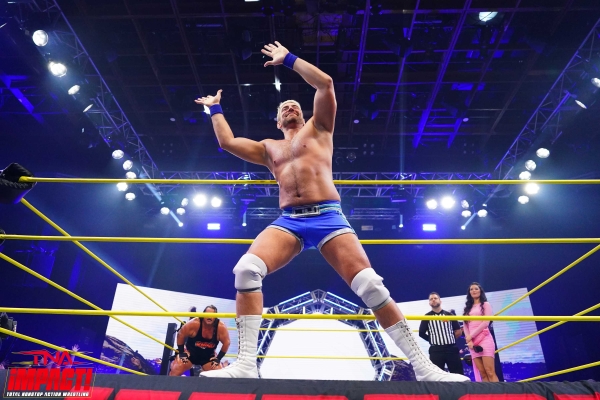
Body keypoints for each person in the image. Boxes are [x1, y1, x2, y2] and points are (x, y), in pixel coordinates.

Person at [194, 41, 469, 382]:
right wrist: (215, 109)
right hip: (289, 221)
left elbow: (324, 84)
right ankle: (247, 364)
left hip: (328, 217)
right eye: (285, 107)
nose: (291, 107)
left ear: (304, 114)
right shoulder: (269, 148)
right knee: (246, 270)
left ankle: (423, 368)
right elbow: (227, 142)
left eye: (296, 105)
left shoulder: (320, 129)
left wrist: (288, 59)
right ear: (278, 120)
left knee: (370, 286)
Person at [169, 305, 230, 376]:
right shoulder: (195, 323)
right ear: (203, 315)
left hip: (208, 357)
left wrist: (218, 358)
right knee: (176, 368)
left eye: (212, 315)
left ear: (215, 317)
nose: (209, 317)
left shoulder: (220, 327)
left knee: (219, 374)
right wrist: (182, 352)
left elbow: (227, 343)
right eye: (207, 314)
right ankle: (168, 384)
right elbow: (180, 334)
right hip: (190, 354)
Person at [419, 292, 465, 375]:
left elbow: (458, 331)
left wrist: (449, 338)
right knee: (437, 375)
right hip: (436, 350)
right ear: (429, 303)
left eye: (435, 298)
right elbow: (421, 333)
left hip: (451, 348)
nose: (433, 300)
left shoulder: (449, 315)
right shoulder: (426, 317)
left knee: (458, 374)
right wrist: (432, 340)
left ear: (440, 301)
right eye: (431, 299)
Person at [463, 282, 498, 382]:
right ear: (469, 293)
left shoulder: (486, 304)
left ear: (480, 291)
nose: (473, 290)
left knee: (490, 371)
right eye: (471, 289)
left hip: (484, 339)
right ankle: (487, 392)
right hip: (472, 343)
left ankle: (497, 392)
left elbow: (486, 322)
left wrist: (471, 336)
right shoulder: (467, 308)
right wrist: (469, 340)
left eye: (476, 289)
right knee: (482, 373)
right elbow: (465, 325)